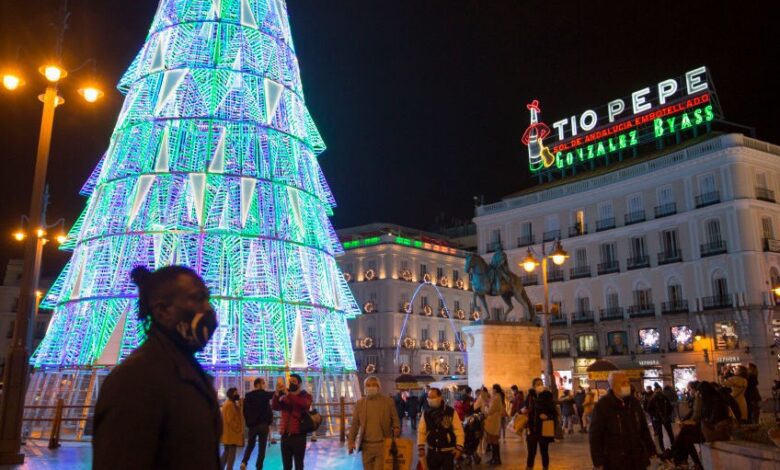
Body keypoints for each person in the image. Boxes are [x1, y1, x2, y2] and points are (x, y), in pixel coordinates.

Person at [93, 265, 220, 469]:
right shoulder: (136, 379)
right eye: (197, 299)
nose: (207, 309)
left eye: (207, 299)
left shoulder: (188, 370)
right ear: (162, 311)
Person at [589, 371, 657, 470]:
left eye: (628, 382)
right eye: (623, 383)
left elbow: (643, 428)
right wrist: (598, 461)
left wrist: (651, 449)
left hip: (637, 458)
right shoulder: (603, 405)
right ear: (613, 386)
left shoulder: (634, 403)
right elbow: (595, 436)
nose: (627, 385)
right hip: (615, 460)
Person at [348, 376, 401, 470]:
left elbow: (395, 419)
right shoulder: (360, 403)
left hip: (382, 445)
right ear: (364, 388)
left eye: (373, 385)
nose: (371, 387)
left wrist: (396, 427)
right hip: (366, 446)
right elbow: (355, 424)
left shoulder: (388, 402)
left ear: (378, 387)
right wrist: (351, 441)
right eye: (368, 385)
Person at [272, 373, 313, 470]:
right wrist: (277, 394)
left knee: (299, 465)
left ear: (299, 384)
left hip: (299, 436)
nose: (291, 384)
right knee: (286, 466)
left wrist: (288, 394)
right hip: (285, 436)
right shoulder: (286, 396)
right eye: (290, 382)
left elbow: (303, 404)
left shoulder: (305, 396)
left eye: (293, 382)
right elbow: (275, 406)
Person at [417, 387, 464, 470]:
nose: (430, 399)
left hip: (448, 452)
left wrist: (459, 447)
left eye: (433, 397)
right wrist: (421, 447)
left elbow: (459, 430)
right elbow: (421, 431)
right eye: (429, 397)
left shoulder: (450, 412)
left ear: (440, 397)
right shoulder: (426, 413)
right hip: (432, 452)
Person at [241, 378, 275, 470]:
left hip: (252, 426)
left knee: (250, 445)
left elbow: (244, 411)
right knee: (262, 448)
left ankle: (244, 462)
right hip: (263, 425)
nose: (265, 385)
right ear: (258, 384)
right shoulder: (264, 394)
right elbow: (274, 394)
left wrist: (248, 422)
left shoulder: (248, 396)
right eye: (263, 383)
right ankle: (259, 467)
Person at [525, 382, 557, 470]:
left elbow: (554, 413)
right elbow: (525, 407)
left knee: (544, 451)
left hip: (544, 429)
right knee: (531, 452)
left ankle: (545, 468)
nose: (539, 386)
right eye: (537, 384)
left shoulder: (547, 396)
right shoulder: (530, 397)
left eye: (541, 384)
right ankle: (529, 467)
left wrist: (548, 416)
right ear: (534, 386)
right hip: (532, 429)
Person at [645, 383, 675, 452]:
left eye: (659, 390)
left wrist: (655, 415)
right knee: (665, 434)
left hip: (662, 419)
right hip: (661, 419)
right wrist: (655, 415)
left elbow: (670, 407)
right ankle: (667, 448)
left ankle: (668, 448)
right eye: (657, 390)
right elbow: (649, 409)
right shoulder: (657, 398)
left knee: (666, 434)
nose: (658, 391)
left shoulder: (659, 398)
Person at [221, 388, 245, 469]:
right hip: (231, 434)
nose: (237, 394)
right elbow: (230, 420)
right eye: (235, 393)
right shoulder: (230, 405)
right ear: (231, 394)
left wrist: (240, 405)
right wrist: (238, 428)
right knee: (231, 456)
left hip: (228, 434)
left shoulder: (229, 403)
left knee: (226, 453)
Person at [483, 384, 505, 464]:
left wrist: (486, 407)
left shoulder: (496, 398)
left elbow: (490, 411)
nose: (491, 390)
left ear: (495, 390)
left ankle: (497, 459)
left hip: (493, 423)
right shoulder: (496, 398)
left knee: (494, 441)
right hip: (493, 422)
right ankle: (494, 458)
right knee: (492, 441)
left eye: (492, 389)